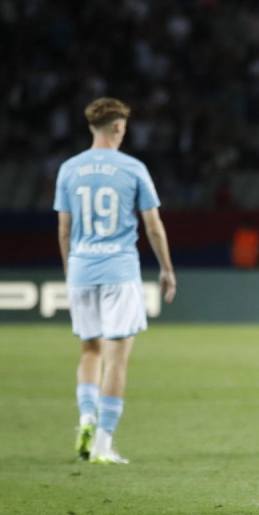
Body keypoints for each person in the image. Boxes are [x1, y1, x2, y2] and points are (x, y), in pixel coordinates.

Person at [54, 98, 177, 464]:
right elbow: (153, 225)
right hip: (119, 272)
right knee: (117, 361)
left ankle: (86, 418)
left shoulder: (68, 169)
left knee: (89, 352)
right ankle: (104, 444)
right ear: (119, 127)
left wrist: (69, 270)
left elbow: (64, 230)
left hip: (81, 269)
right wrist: (167, 268)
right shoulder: (133, 168)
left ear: (92, 127)